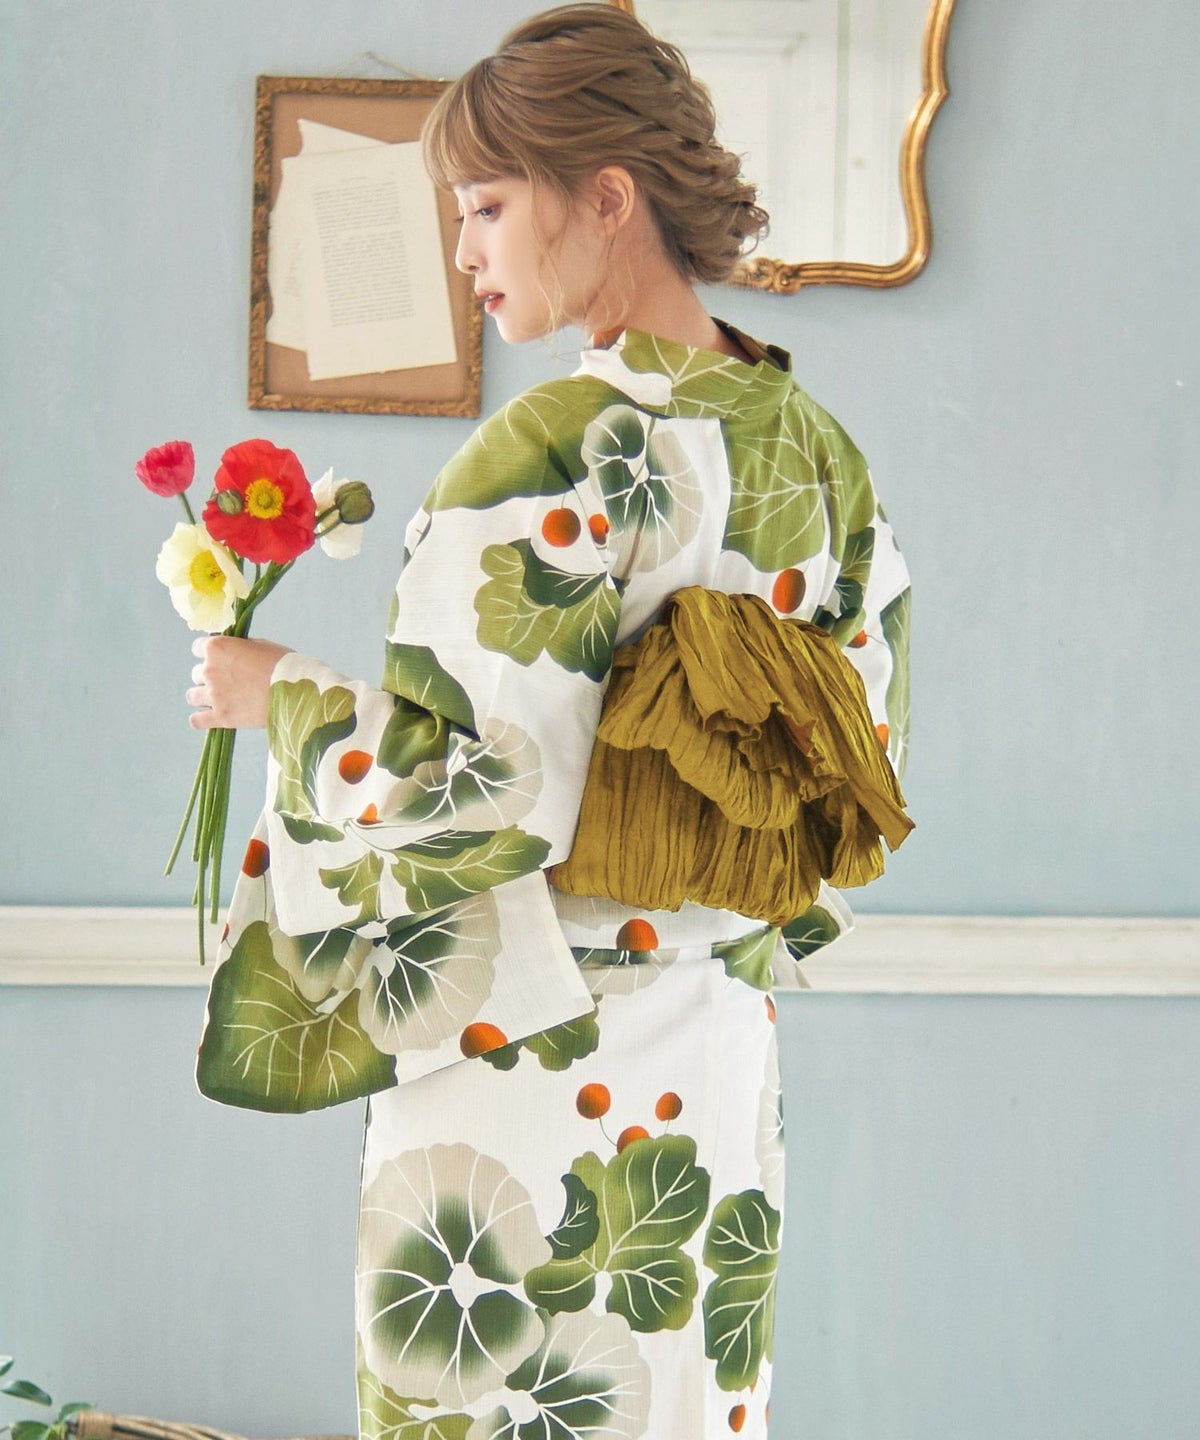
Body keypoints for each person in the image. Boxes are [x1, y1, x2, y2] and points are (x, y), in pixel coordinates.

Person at [186, 6, 911, 1436]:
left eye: (486, 207)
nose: (466, 252)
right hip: (716, 1050)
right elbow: (857, 766)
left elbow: (488, 792)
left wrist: (283, 696)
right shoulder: (818, 450)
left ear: (607, 196)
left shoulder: (557, 445)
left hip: (531, 1057)